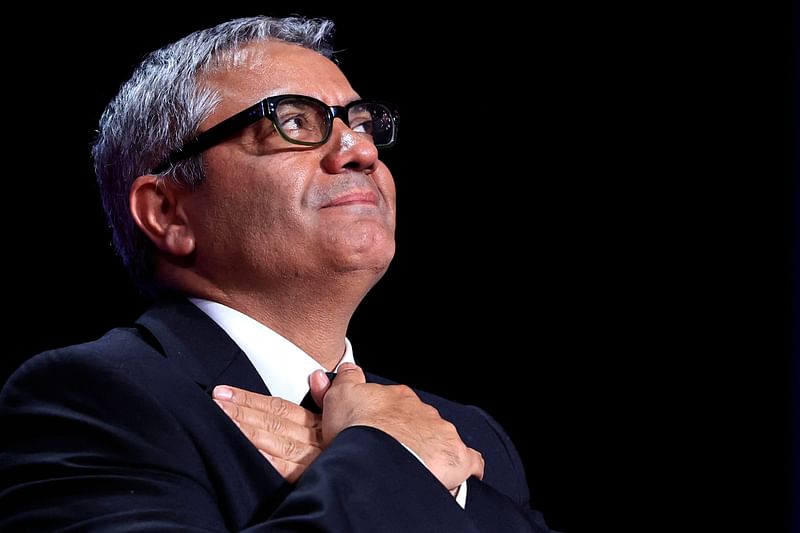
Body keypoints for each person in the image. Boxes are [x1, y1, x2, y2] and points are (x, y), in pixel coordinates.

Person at [0, 15, 553, 532]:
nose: (360, 150)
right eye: (292, 121)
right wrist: (393, 457)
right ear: (168, 212)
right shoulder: (96, 397)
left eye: (360, 124)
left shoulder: (467, 434)